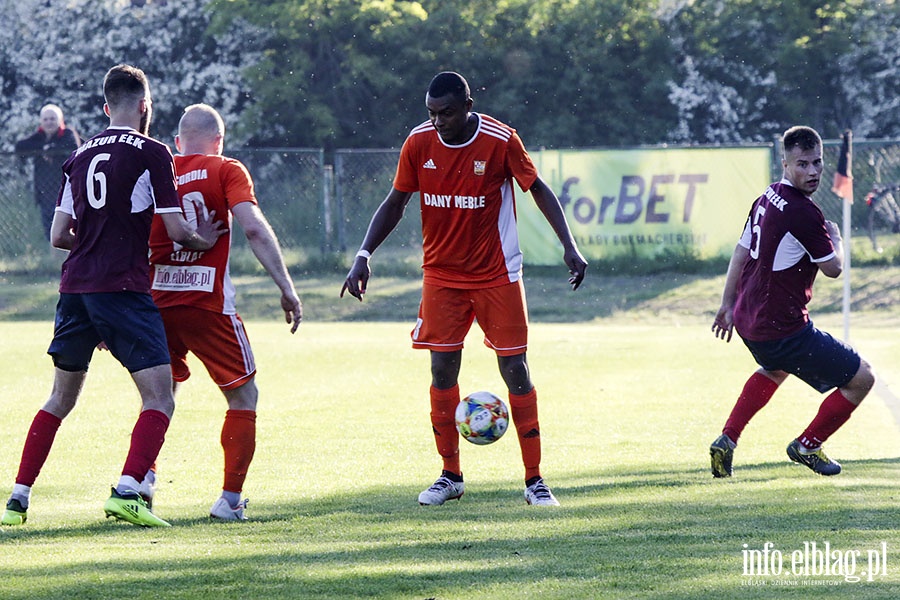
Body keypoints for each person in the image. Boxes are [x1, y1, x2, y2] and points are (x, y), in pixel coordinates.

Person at [341, 71, 587, 507]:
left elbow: (539, 190)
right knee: (441, 372)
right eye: (432, 114)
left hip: (498, 275)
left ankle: (535, 481)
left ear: (468, 105)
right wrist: (363, 254)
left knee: (516, 371)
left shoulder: (500, 140)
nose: (438, 122)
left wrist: (568, 245)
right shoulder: (418, 143)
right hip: (441, 277)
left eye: (447, 113)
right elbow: (395, 202)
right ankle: (450, 475)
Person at [0, 64, 225, 528]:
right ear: (145, 106)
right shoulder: (153, 152)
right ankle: (127, 491)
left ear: (106, 108)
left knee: (59, 398)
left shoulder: (78, 154)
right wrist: (205, 239)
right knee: (160, 398)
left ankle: (17, 498)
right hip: (122, 288)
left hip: (75, 288)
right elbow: (180, 231)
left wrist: (97, 236)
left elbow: (59, 235)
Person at [144, 103, 302, 521]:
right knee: (243, 395)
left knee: (158, 397)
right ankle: (229, 500)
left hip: (155, 303)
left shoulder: (157, 169)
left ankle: (139, 484)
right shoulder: (226, 169)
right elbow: (251, 227)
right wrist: (286, 287)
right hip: (207, 305)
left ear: (178, 142)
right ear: (220, 140)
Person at [709, 125, 875, 478]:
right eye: (802, 164)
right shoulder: (803, 212)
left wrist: (726, 304)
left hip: (749, 320)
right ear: (784, 162)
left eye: (817, 162)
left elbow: (740, 250)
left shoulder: (768, 196)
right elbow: (833, 268)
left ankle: (727, 439)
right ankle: (807, 445)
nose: (812, 171)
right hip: (781, 328)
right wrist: (837, 239)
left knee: (774, 367)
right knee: (862, 379)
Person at [15, 104, 81, 240]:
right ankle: (53, 258)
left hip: (67, 189)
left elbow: (74, 146)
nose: (49, 122)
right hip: (44, 191)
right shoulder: (39, 137)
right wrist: (43, 148)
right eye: (45, 119)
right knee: (49, 228)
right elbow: (20, 146)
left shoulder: (68, 134)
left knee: (69, 226)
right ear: (41, 121)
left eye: (52, 119)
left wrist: (51, 149)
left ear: (60, 120)